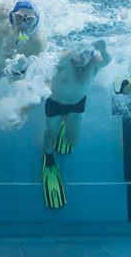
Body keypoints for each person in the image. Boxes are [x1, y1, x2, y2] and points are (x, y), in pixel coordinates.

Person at [40, 40, 111, 209]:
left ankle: (67, 123)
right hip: (55, 104)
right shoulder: (65, 62)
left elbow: (107, 60)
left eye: (86, 54)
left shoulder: (93, 63)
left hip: (77, 105)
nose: (81, 58)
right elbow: (58, 60)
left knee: (73, 141)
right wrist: (75, 49)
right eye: (79, 54)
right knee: (51, 134)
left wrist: (103, 48)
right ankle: (48, 153)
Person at [0, 0, 46, 102]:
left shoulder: (37, 43)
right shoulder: (1, 16)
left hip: (16, 72)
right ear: (12, 16)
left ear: (35, 22)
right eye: (19, 17)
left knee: (16, 101)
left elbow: (38, 67)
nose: (23, 24)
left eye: (29, 20)